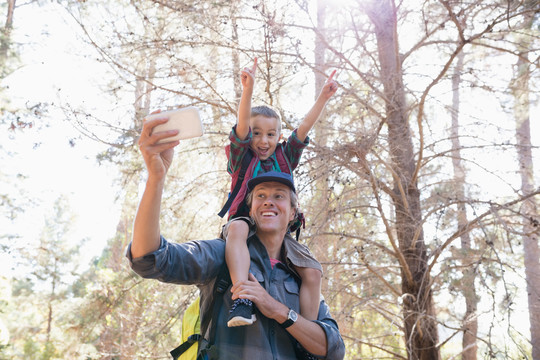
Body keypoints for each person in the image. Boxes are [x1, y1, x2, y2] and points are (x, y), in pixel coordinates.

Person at [128, 120, 346, 359]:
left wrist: (277, 309)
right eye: (260, 195)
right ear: (251, 210)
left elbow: (332, 349)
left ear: (293, 212)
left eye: (279, 196)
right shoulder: (223, 255)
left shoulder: (301, 275)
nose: (269, 201)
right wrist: (155, 178)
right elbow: (150, 258)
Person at [224, 57, 338, 327]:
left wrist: (323, 97)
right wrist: (248, 90)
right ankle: (242, 299)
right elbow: (240, 128)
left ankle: (307, 332)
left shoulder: (285, 156)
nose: (264, 141)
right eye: (257, 133)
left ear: (278, 136)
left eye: (271, 135)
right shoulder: (242, 157)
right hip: (246, 219)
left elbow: (303, 129)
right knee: (238, 231)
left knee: (311, 270)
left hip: (279, 228)